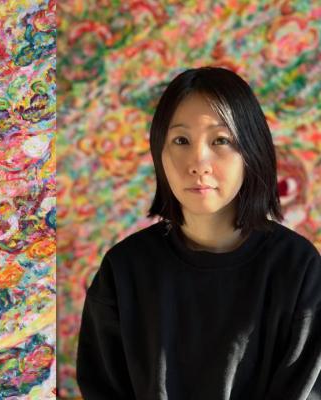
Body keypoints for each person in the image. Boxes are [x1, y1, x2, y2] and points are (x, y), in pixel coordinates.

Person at [76, 67, 321, 399]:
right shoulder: (124, 269)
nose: (198, 162)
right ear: (160, 154)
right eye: (181, 141)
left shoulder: (299, 268)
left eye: (220, 140)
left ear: (251, 150)